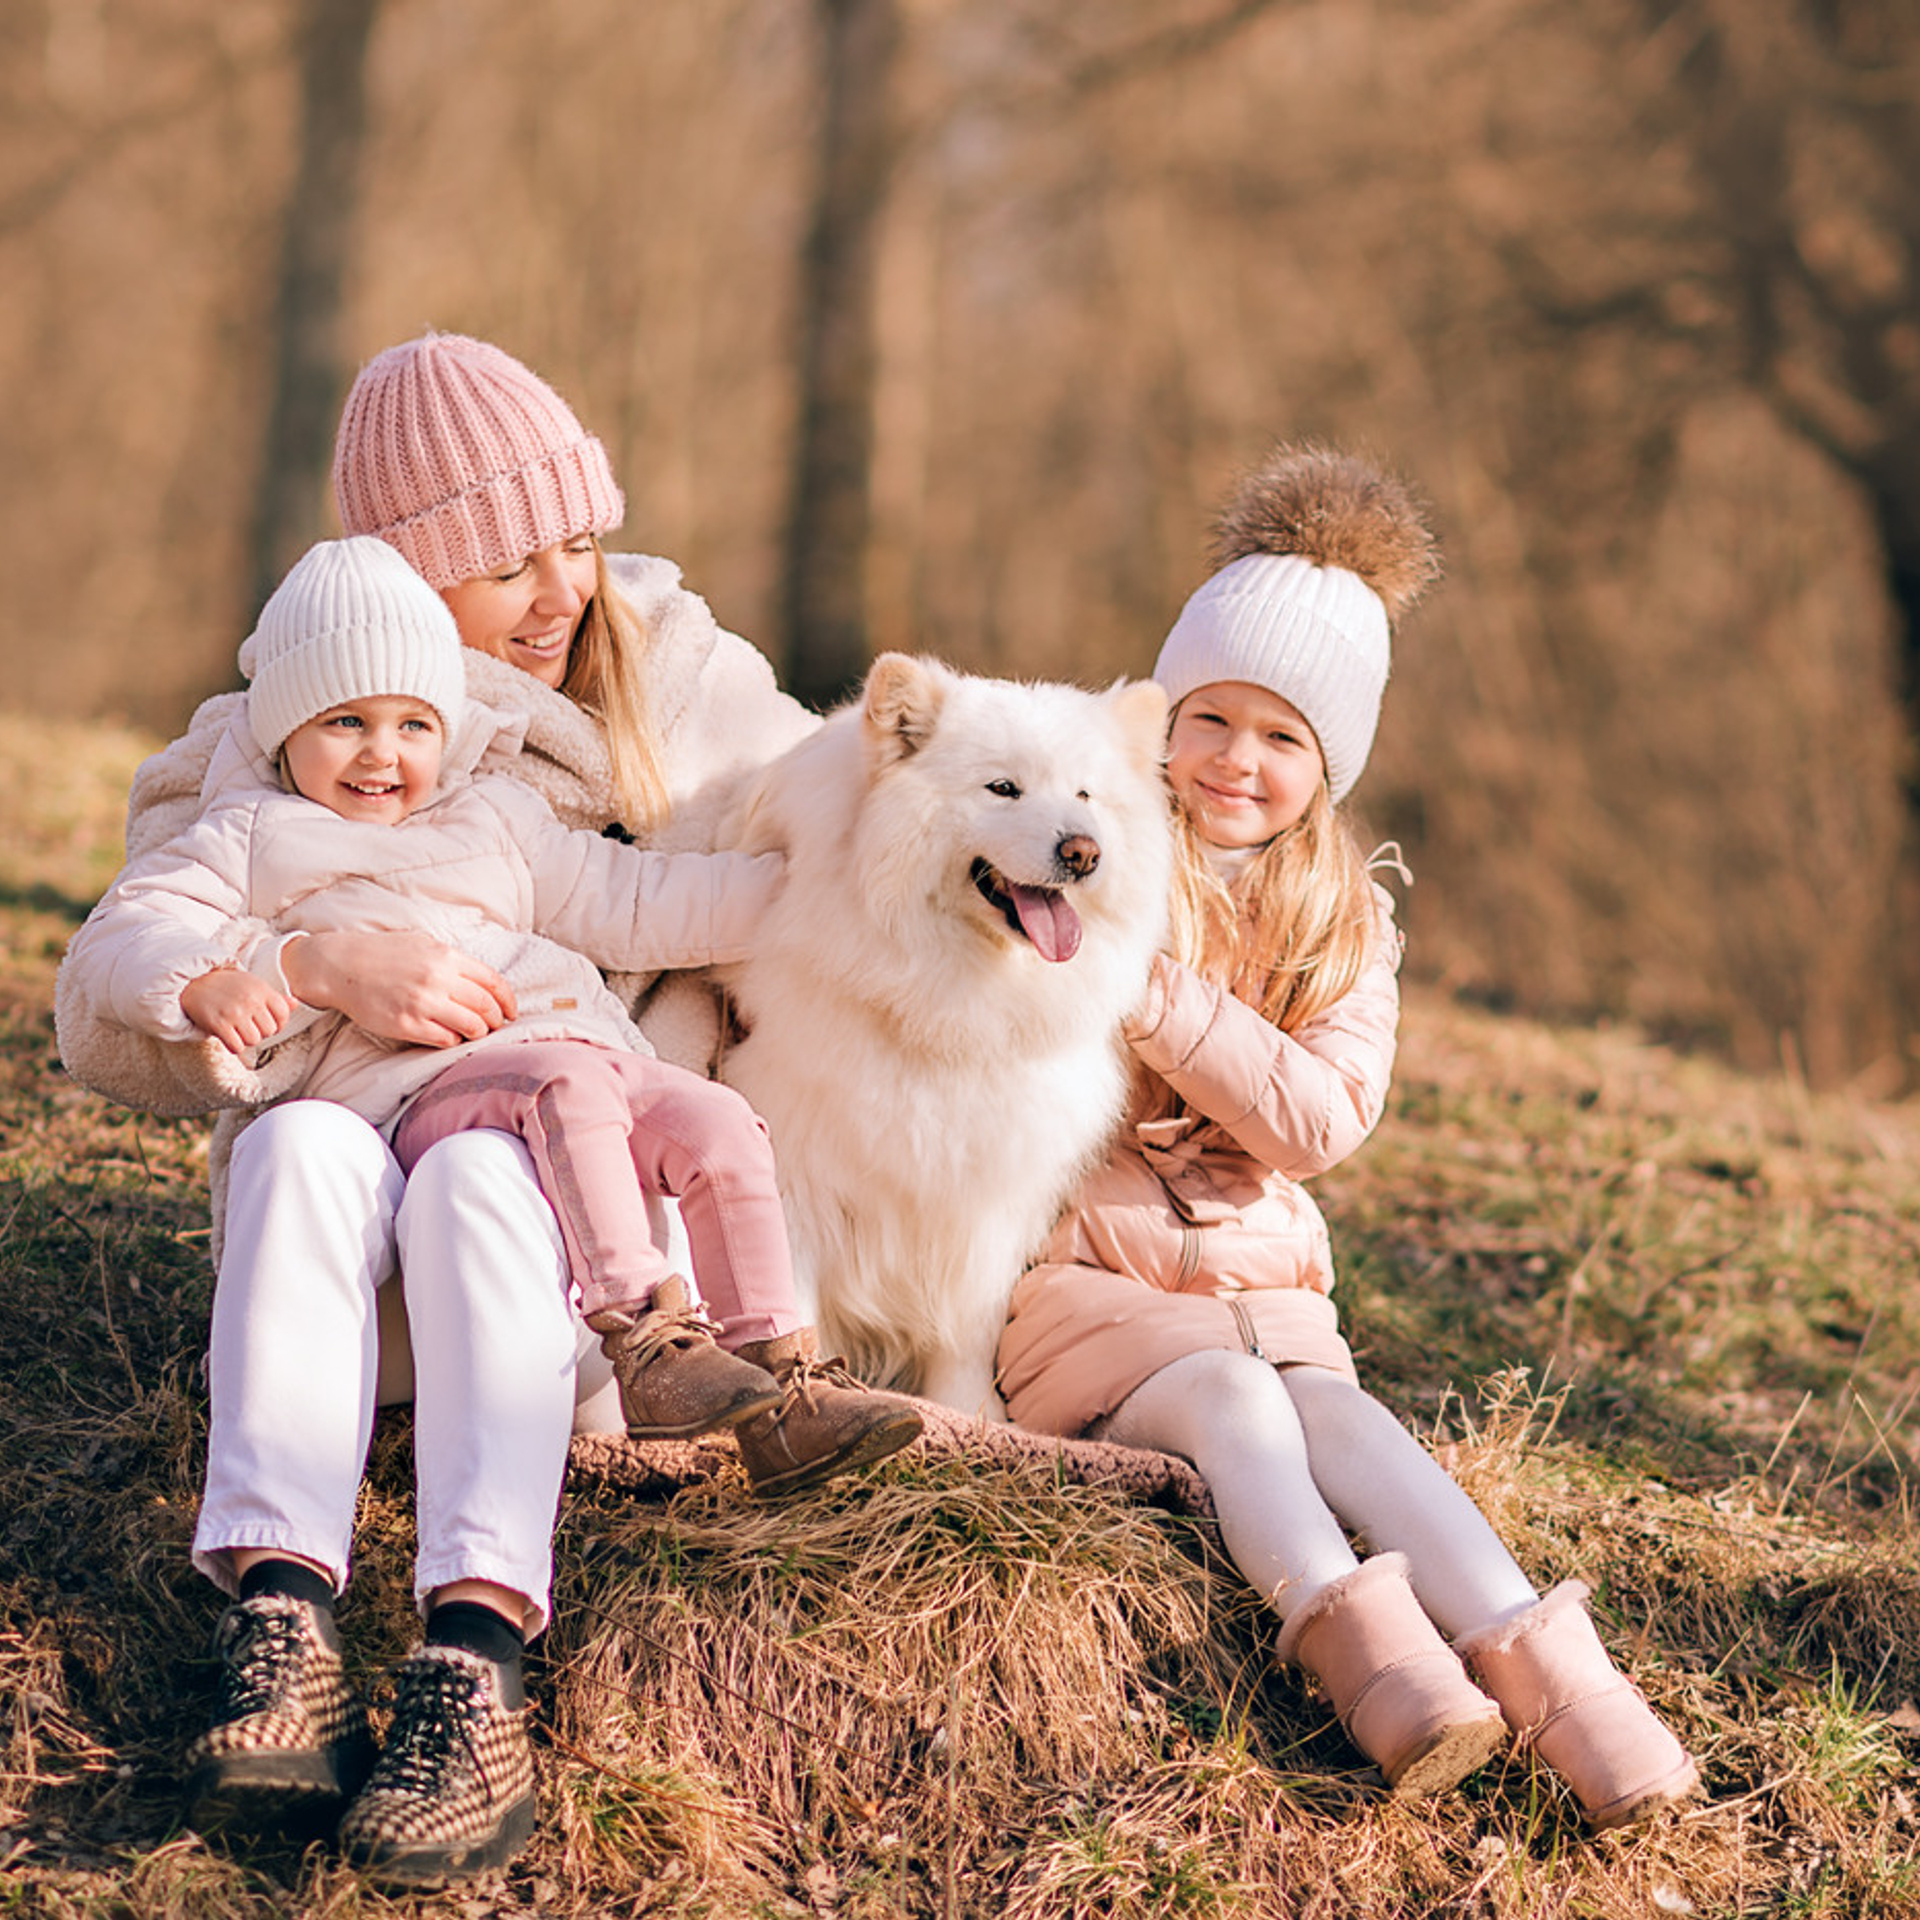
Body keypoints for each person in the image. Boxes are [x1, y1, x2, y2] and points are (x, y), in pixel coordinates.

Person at [54, 334, 886, 1888]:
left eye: (575, 540)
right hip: (335, 1245)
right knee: (306, 1142)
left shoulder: (556, 764)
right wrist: (301, 965)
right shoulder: (242, 788)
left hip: (551, 1228)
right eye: (505, 562)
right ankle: (280, 1625)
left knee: (484, 1182)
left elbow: (679, 892)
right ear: (391, 590)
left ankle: (471, 1663)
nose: (565, 587)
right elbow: (110, 990)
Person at [995, 445, 1700, 1831]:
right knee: (1245, 1411)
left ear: (1329, 766)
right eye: (1211, 719)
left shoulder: (1344, 919)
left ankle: (1568, 1689)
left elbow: (1318, 1119)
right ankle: (1372, 1661)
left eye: (1280, 738)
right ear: (1159, 720)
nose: (1235, 762)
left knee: (1355, 1427)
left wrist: (1161, 1004)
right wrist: (1151, 1021)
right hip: (1099, 1302)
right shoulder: (1088, 861)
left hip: (1274, 1301)